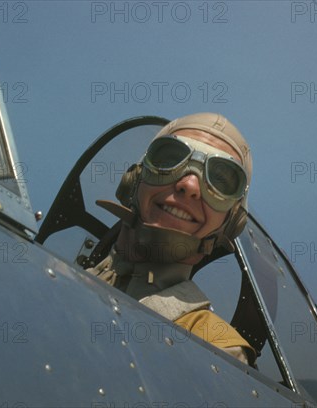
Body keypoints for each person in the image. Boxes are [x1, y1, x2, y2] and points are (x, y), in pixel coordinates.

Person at [88, 112, 256, 365]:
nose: (189, 185)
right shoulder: (56, 277)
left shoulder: (218, 352)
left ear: (231, 222)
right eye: (170, 158)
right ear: (134, 179)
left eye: (221, 180)